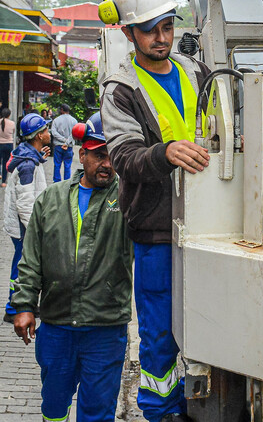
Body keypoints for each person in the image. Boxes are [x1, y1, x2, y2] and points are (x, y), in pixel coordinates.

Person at [100, 0, 210, 422]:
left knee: (204, 318)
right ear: (130, 34)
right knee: (160, 329)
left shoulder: (194, 70)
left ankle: (195, 397)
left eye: (167, 26)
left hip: (205, 220)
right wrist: (165, 153)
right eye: (150, 30)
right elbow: (124, 156)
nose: (162, 38)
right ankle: (160, 408)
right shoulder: (121, 88)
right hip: (156, 229)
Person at [12, 112, 132, 422]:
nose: (107, 163)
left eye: (113, 155)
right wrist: (24, 305)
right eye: (99, 155)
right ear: (83, 154)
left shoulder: (128, 199)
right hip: (56, 325)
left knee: (97, 411)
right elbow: (31, 259)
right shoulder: (50, 199)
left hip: (104, 328)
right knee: (53, 406)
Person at [2, 113, 50, 324]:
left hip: (22, 225)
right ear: (39, 135)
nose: (49, 133)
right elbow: (25, 202)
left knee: (21, 264)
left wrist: (41, 157)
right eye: (46, 130)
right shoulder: (27, 165)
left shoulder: (29, 156)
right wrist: (34, 230)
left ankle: (20, 303)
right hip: (24, 227)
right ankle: (13, 307)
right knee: (21, 266)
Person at [51, 103, 78, 182]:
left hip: (58, 145)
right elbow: (75, 133)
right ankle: (67, 182)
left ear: (62, 110)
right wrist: (67, 142)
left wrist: (63, 140)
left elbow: (53, 132)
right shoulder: (74, 121)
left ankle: (56, 181)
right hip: (69, 146)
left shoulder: (56, 120)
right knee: (67, 165)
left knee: (57, 164)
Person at [0, 107, 15, 187]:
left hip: (0, 144)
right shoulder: (12, 123)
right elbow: (13, 132)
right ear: (9, 115)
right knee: (5, 162)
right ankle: (3, 182)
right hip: (9, 144)